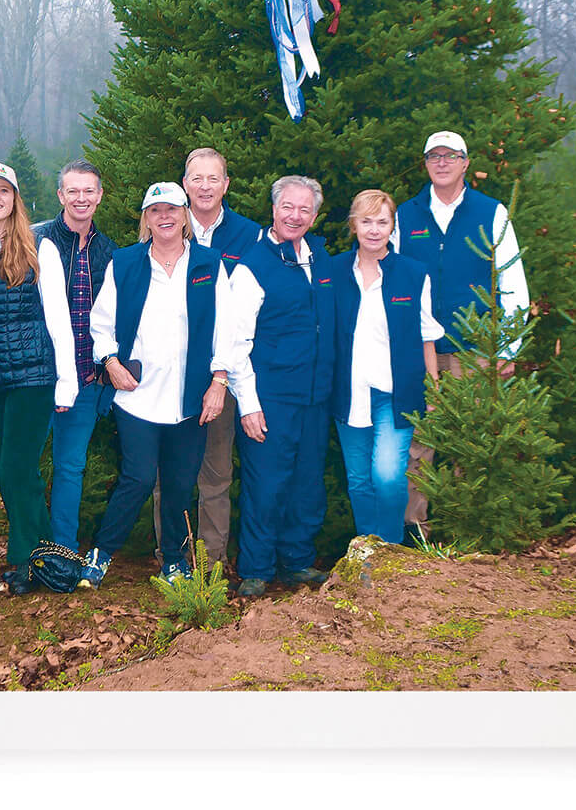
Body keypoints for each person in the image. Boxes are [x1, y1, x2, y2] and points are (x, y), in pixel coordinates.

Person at [78, 182, 236, 589]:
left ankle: (174, 561)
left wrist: (219, 381)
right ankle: (101, 553)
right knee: (139, 478)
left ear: (185, 216)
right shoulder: (125, 262)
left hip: (190, 397)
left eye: (172, 209)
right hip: (137, 396)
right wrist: (110, 362)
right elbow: (101, 322)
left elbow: (227, 328)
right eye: (155, 211)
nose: (164, 217)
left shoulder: (208, 263)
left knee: (181, 483)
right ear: (146, 219)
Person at [393, 129, 530, 540]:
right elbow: (392, 279)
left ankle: (464, 530)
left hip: (476, 350)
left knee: (470, 441)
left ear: (466, 163)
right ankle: (415, 530)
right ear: (425, 164)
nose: (442, 162)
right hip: (421, 350)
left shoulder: (491, 212)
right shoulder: (405, 215)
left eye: (450, 155)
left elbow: (512, 283)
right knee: (419, 443)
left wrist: (507, 347)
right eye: (434, 156)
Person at [0, 162, 78, 591]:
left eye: (3, 191)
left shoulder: (39, 247)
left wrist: (67, 381)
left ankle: (26, 560)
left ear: (15, 199)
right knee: (20, 475)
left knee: (13, 470)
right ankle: (47, 561)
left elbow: (59, 318)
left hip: (32, 376)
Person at [227, 175, 337, 597]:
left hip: (316, 396)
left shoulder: (322, 261)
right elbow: (235, 343)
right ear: (273, 210)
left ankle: (297, 562)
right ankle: (256, 569)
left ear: (315, 215)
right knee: (266, 484)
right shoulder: (252, 267)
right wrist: (248, 404)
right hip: (270, 396)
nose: (295, 216)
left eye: (305, 209)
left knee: (307, 483)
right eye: (287, 207)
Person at [333, 189, 443, 545]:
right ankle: (366, 552)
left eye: (382, 222)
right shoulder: (334, 271)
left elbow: (426, 335)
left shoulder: (413, 274)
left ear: (393, 227)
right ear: (354, 225)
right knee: (359, 480)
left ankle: (390, 551)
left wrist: (433, 384)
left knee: (387, 475)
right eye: (366, 221)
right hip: (349, 391)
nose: (374, 230)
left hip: (394, 392)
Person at [177, 147, 262, 567]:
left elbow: (249, 313)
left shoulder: (250, 236)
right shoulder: (167, 224)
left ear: (226, 185)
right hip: (172, 372)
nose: (205, 187)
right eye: (197, 178)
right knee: (171, 473)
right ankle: (173, 560)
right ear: (185, 184)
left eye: (214, 178)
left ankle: (211, 564)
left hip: (222, 372)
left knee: (215, 472)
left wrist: (223, 375)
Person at [33, 160, 117, 550]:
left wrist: (104, 369)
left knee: (70, 468)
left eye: (88, 191)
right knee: (26, 467)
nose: (81, 198)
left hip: (86, 381)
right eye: (73, 191)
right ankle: (30, 550)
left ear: (99, 196)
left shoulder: (109, 252)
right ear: (60, 195)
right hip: (38, 378)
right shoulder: (36, 242)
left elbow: (115, 318)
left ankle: (62, 552)